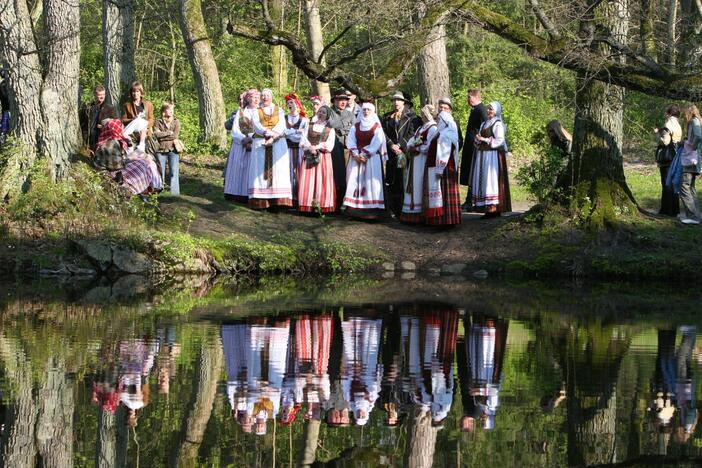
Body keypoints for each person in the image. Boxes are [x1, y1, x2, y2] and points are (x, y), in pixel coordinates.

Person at [248, 88, 293, 210]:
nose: (265, 97)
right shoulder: (256, 111)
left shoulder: (279, 110)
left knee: (278, 170)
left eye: (267, 95)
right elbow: (256, 125)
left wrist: (273, 134)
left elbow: (282, 125)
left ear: (271, 97)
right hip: (261, 142)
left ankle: (278, 201)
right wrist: (266, 132)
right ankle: (261, 201)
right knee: (260, 171)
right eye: (263, 95)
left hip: (277, 143)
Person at [94, 118, 162, 196]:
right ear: (115, 129)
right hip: (106, 174)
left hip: (110, 170)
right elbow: (116, 166)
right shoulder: (111, 143)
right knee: (142, 165)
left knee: (144, 162)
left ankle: (146, 189)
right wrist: (130, 158)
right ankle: (132, 190)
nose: (122, 129)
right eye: (120, 127)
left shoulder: (112, 141)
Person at [382, 91, 422, 218]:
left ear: (404, 102)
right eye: (393, 100)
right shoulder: (386, 117)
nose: (395, 103)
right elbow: (383, 133)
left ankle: (404, 209)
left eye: (398, 100)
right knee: (392, 181)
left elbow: (412, 134)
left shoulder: (412, 117)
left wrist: (400, 145)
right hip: (391, 153)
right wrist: (391, 145)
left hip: (404, 153)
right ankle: (393, 209)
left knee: (403, 180)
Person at [344, 103, 387, 219]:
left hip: (371, 159)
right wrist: (356, 155)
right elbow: (351, 141)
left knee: (370, 182)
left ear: (372, 111)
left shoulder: (376, 127)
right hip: (357, 159)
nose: (366, 111)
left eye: (368, 109)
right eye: (364, 109)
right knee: (354, 181)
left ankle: (371, 210)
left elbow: (377, 142)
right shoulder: (355, 126)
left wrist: (365, 154)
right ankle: (353, 209)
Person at [471, 101, 512, 218]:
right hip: (482, 155)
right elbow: (479, 138)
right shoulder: (484, 124)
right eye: (488, 109)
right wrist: (478, 140)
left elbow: (499, 140)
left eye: (491, 109)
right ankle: (486, 208)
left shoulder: (497, 124)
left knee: (491, 181)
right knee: (483, 180)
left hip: (492, 156)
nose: (488, 111)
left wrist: (485, 140)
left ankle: (494, 209)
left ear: (496, 111)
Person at [401, 104, 437, 223]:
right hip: (415, 160)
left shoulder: (433, 128)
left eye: (424, 114)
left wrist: (417, 149)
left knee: (419, 182)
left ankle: (420, 214)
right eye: (422, 114)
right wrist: (410, 146)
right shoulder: (421, 128)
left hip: (422, 160)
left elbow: (429, 146)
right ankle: (411, 214)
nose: (422, 116)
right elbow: (413, 139)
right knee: (413, 182)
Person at [424, 109, 461, 226]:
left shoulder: (446, 134)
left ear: (445, 121)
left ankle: (446, 221)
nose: (438, 121)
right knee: (442, 193)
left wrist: (439, 169)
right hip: (443, 166)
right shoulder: (441, 133)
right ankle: (444, 220)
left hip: (444, 167)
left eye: (439, 119)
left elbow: (444, 153)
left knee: (444, 193)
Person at [298, 105, 336, 213]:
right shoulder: (309, 125)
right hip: (309, 154)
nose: (321, 114)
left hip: (323, 158)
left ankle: (321, 205)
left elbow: (330, 145)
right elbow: (303, 139)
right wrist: (309, 147)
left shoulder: (329, 129)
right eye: (319, 111)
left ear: (327, 115)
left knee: (321, 180)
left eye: (323, 112)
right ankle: (307, 204)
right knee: (308, 181)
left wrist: (317, 147)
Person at [224, 89, 260, 203]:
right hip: (240, 145)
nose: (256, 100)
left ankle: (249, 194)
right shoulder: (241, 112)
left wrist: (252, 138)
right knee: (239, 169)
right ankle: (235, 193)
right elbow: (235, 130)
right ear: (248, 99)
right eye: (253, 97)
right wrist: (243, 139)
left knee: (251, 170)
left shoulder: (261, 113)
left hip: (255, 145)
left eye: (257, 98)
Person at [461, 90, 489, 211]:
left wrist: (479, 140)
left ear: (475, 97)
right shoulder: (475, 109)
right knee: (470, 174)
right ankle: (469, 200)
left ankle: (471, 201)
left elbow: (485, 127)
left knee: (473, 173)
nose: (468, 100)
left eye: (469, 97)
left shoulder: (481, 109)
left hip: (476, 147)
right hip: (471, 146)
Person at [328, 90, 355, 209]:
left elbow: (354, 127)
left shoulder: (350, 114)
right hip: (333, 148)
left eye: (345, 99)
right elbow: (330, 124)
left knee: (348, 175)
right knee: (335, 175)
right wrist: (344, 126)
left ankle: (347, 203)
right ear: (334, 101)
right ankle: (334, 203)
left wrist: (341, 128)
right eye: (340, 99)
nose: (343, 102)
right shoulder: (329, 112)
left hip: (348, 148)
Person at [653, 107, 682, 217]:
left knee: (666, 182)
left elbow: (665, 142)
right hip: (676, 155)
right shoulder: (678, 125)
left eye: (666, 112)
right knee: (673, 183)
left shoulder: (668, 125)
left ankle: (666, 210)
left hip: (667, 157)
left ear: (669, 114)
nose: (665, 114)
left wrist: (657, 133)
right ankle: (675, 210)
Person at [283, 93, 308, 204]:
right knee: (287, 171)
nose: (290, 105)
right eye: (288, 103)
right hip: (286, 149)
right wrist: (295, 131)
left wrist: (290, 133)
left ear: (297, 104)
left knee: (298, 171)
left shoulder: (303, 120)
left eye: (292, 102)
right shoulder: (283, 118)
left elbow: (302, 136)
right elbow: (283, 132)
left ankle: (299, 197)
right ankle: (288, 197)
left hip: (299, 149)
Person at [679, 105, 702, 225]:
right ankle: (697, 215)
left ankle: (692, 216)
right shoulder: (697, 121)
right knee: (691, 187)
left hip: (691, 158)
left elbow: (698, 136)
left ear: (690, 112)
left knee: (684, 186)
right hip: (695, 158)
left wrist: (691, 146)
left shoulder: (694, 121)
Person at [153, 102, 181, 195]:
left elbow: (175, 135)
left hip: (173, 149)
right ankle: (160, 193)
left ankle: (175, 194)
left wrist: (163, 134)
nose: (171, 111)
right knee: (161, 173)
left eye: (172, 109)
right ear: (164, 110)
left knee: (174, 172)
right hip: (160, 150)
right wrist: (169, 133)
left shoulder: (176, 121)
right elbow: (156, 135)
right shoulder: (158, 121)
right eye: (169, 109)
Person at [80, 85, 117, 152]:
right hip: (89, 138)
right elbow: (82, 123)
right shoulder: (87, 108)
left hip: (103, 137)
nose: (102, 97)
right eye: (99, 95)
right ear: (95, 95)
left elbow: (116, 124)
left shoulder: (110, 108)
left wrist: (104, 126)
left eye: (103, 94)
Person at [121, 81, 154, 153]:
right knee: (138, 120)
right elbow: (123, 120)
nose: (135, 94)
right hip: (133, 129)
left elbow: (151, 119)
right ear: (131, 93)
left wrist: (146, 125)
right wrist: (132, 119)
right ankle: (130, 141)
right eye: (133, 91)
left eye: (137, 91)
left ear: (141, 92)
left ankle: (141, 144)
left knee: (142, 122)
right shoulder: (127, 105)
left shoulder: (148, 104)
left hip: (144, 131)